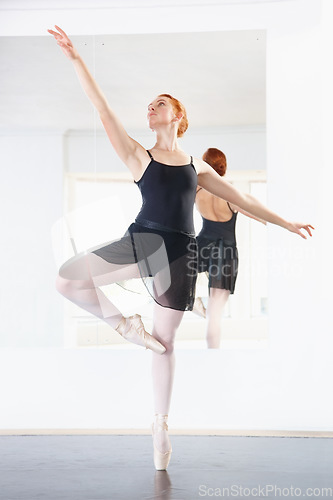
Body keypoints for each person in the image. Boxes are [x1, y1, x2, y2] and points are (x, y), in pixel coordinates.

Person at [48, 25, 314, 471]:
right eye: (149, 105)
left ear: (178, 116)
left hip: (179, 253)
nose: (151, 108)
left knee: (167, 342)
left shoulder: (196, 166)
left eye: (160, 103)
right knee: (66, 279)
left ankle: (160, 424)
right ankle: (124, 326)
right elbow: (102, 107)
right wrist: (76, 59)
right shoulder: (138, 156)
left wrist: (285, 222)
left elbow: (242, 199)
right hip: (141, 240)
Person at [194, 148, 266, 348]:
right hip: (225, 253)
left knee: (177, 275)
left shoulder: (197, 191)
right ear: (223, 167)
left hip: (202, 247)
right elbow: (257, 214)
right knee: (214, 315)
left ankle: (192, 300)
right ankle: (212, 356)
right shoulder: (229, 193)